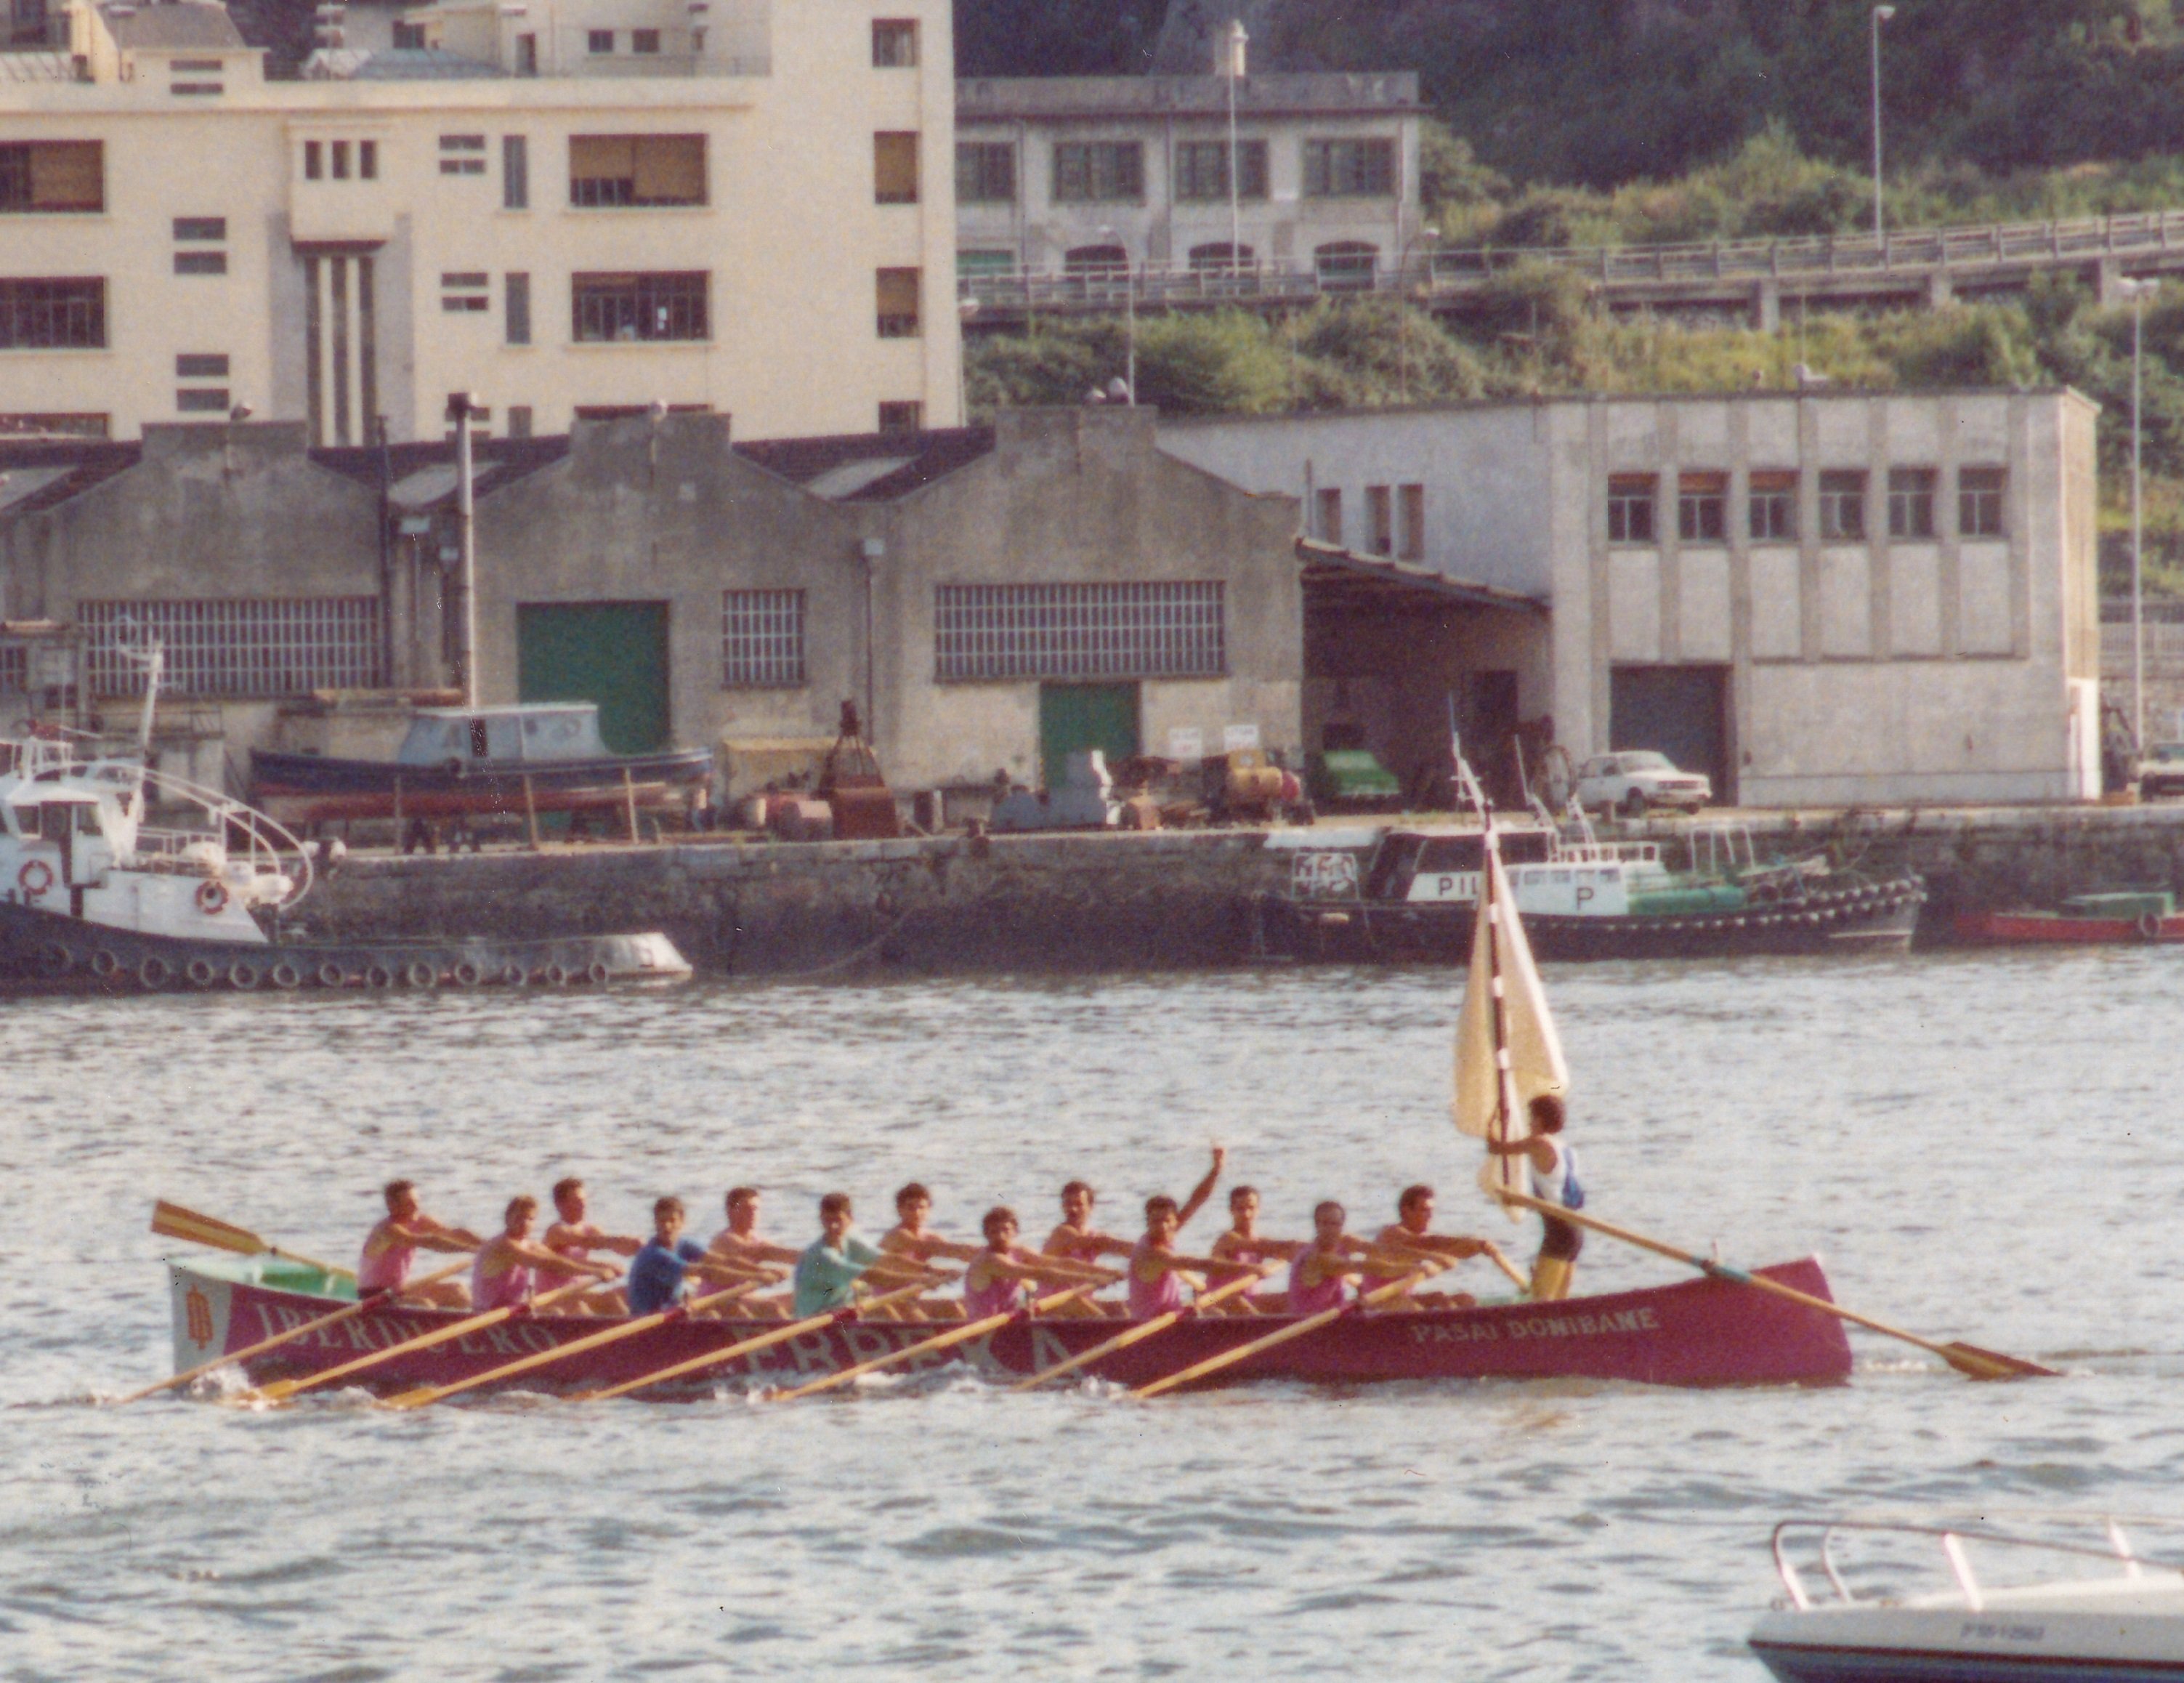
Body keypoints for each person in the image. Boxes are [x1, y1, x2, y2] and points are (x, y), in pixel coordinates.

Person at [1044, 1147, 1226, 1268]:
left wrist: (1215, 1171)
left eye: (1079, 1204)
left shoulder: (1162, 1234)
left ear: (1091, 1207)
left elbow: (1194, 1204)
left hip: (1083, 1303)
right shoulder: (1062, 1234)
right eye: (1068, 1204)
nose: (1073, 1209)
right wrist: (1141, 1252)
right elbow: (1107, 1244)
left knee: (1119, 1308)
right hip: (1057, 1307)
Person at [1487, 1093, 1585, 1301]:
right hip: (1575, 1230)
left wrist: (1492, 1123)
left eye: (1530, 1118)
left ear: (1538, 1120)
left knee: (1542, 1300)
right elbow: (1554, 1191)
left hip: (1558, 1232)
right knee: (1559, 1302)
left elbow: (1495, 1148)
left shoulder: (1538, 1143)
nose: (1529, 1123)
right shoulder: (1566, 1148)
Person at [791, 1192, 949, 1319]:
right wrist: (920, 1279)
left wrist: (930, 1269)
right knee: (885, 1311)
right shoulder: (822, 1255)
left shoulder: (851, 1242)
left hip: (841, 1312)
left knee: (900, 1308)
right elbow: (872, 1276)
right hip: (814, 1319)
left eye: (838, 1220)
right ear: (821, 1219)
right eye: (827, 1221)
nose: (833, 1226)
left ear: (850, 1219)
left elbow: (888, 1260)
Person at [1127, 1195, 1269, 1320]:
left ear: (1175, 1222)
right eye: (1156, 1222)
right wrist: (1248, 1268)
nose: (1163, 1227)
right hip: (1152, 1325)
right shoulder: (1150, 1252)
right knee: (1224, 1311)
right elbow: (1200, 1265)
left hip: (1171, 1316)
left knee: (1217, 1312)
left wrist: (1216, 1170)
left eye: (1167, 1221)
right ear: (1147, 1223)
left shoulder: (1166, 1238)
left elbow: (1196, 1200)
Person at [960, 1207, 1117, 1319]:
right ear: (986, 1235)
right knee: (1073, 1304)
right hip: (988, 1330)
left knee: (1113, 1307)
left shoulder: (1018, 1251)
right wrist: (1091, 1279)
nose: (1001, 1236)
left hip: (1011, 1322)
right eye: (994, 1232)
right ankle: (1110, 1333)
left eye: (1005, 1230)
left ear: (1015, 1232)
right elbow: (1042, 1274)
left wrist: (1106, 1273)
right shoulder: (990, 1260)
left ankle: (1109, 1327)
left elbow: (1060, 1264)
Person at [472, 1195, 618, 1312]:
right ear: (507, 1218)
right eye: (519, 1217)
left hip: (513, 1310)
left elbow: (561, 1260)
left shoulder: (529, 1244)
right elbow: (548, 1264)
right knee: (562, 1312)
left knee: (605, 1301)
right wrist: (595, 1272)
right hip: (487, 1312)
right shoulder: (504, 1245)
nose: (524, 1223)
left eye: (530, 1219)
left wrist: (605, 1267)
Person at [1288, 1200, 1433, 1315]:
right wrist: (1413, 1267)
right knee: (1400, 1305)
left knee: (1399, 1302)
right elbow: (1366, 1267)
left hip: (1335, 1319)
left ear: (1341, 1226)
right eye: (1324, 1224)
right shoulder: (1317, 1259)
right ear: (1316, 1225)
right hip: (1313, 1326)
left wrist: (1431, 1257)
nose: (1330, 1230)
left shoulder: (1344, 1242)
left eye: (1335, 1224)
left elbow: (1381, 1250)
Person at [358, 1179, 482, 1307]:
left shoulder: (419, 1220)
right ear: (392, 1206)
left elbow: (453, 1234)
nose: (416, 1207)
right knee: (425, 1304)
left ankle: (478, 1323)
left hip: (399, 1290)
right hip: (374, 1295)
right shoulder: (387, 1230)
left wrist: (489, 1247)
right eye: (409, 1204)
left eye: (417, 1202)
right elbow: (430, 1242)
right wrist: (471, 1250)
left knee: (458, 1290)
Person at [627, 1197, 751, 1316]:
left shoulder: (684, 1244)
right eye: (662, 1221)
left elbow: (723, 1261)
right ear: (655, 1223)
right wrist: (754, 1277)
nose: (667, 1227)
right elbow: (707, 1272)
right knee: (711, 1315)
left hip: (671, 1313)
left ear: (682, 1222)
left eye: (672, 1220)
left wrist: (761, 1271)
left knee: (733, 1309)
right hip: (648, 1320)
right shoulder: (654, 1254)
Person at [539, 1176, 644, 1314]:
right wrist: (604, 1266)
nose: (583, 1205)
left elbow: (609, 1243)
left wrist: (639, 1248)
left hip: (578, 1293)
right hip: (552, 1298)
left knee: (630, 1292)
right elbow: (588, 1242)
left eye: (584, 1200)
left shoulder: (589, 1229)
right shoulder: (556, 1231)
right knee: (608, 1300)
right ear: (560, 1205)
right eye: (577, 1201)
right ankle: (635, 1332)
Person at [1210, 1184, 1306, 1314]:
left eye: (1251, 1208)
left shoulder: (1259, 1241)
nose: (1247, 1214)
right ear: (1231, 1211)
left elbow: (1286, 1248)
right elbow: (1262, 1246)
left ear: (1258, 1210)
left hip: (1250, 1300)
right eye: (1240, 1209)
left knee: (1292, 1298)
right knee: (1239, 1303)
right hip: (1221, 1301)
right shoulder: (1227, 1239)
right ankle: (1261, 1325)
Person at [881, 1183, 984, 1266]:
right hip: (886, 1291)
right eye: (910, 1208)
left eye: (921, 1207)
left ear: (929, 1209)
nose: (917, 1213)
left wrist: (990, 1254)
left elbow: (955, 1252)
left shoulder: (929, 1236)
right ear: (899, 1210)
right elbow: (930, 1247)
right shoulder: (896, 1236)